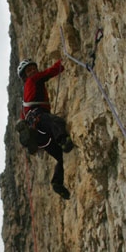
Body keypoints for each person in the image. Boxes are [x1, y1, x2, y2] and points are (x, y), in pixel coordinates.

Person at [16, 58, 74, 199]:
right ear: (25, 77)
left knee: (61, 156)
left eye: (34, 68)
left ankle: (57, 182)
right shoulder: (33, 80)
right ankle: (63, 140)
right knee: (57, 121)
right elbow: (48, 73)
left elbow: (22, 118)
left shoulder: (24, 101)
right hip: (40, 118)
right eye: (29, 70)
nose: (33, 70)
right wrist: (61, 63)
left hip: (41, 137)